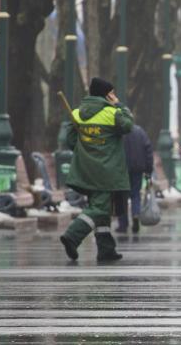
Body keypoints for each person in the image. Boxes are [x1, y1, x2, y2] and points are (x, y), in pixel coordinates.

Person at [60, 77, 134, 262]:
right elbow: (128, 125)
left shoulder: (76, 113)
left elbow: (69, 140)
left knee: (100, 206)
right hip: (106, 170)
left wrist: (86, 151)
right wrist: (120, 105)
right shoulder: (112, 113)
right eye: (112, 93)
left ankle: (106, 248)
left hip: (85, 170)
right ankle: (72, 236)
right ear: (106, 94)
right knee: (100, 209)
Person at [116, 124, 154, 233]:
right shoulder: (140, 131)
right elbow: (148, 150)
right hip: (138, 168)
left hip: (121, 169)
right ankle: (135, 214)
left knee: (121, 196)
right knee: (135, 194)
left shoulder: (118, 131)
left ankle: (123, 225)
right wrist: (148, 169)